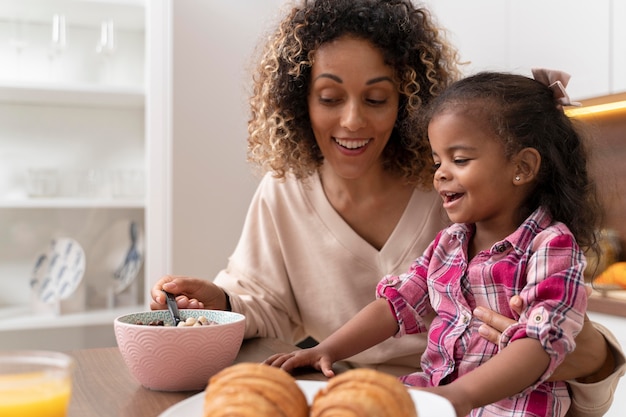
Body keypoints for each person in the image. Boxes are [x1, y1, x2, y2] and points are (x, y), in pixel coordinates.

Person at [150, 1, 624, 415]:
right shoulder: (442, 233)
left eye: (376, 98)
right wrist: (231, 307)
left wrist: (466, 393)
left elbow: (562, 343)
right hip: (405, 396)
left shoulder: (502, 217)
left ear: (405, 100)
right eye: (330, 97)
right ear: (299, 102)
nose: (352, 120)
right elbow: (386, 300)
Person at [264, 69, 605, 416]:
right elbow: (396, 303)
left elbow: (541, 343)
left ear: (522, 166)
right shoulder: (449, 242)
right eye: (437, 161)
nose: (440, 173)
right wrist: (328, 349)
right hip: (439, 392)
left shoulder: (551, 245)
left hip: (512, 407)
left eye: (459, 160)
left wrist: (460, 396)